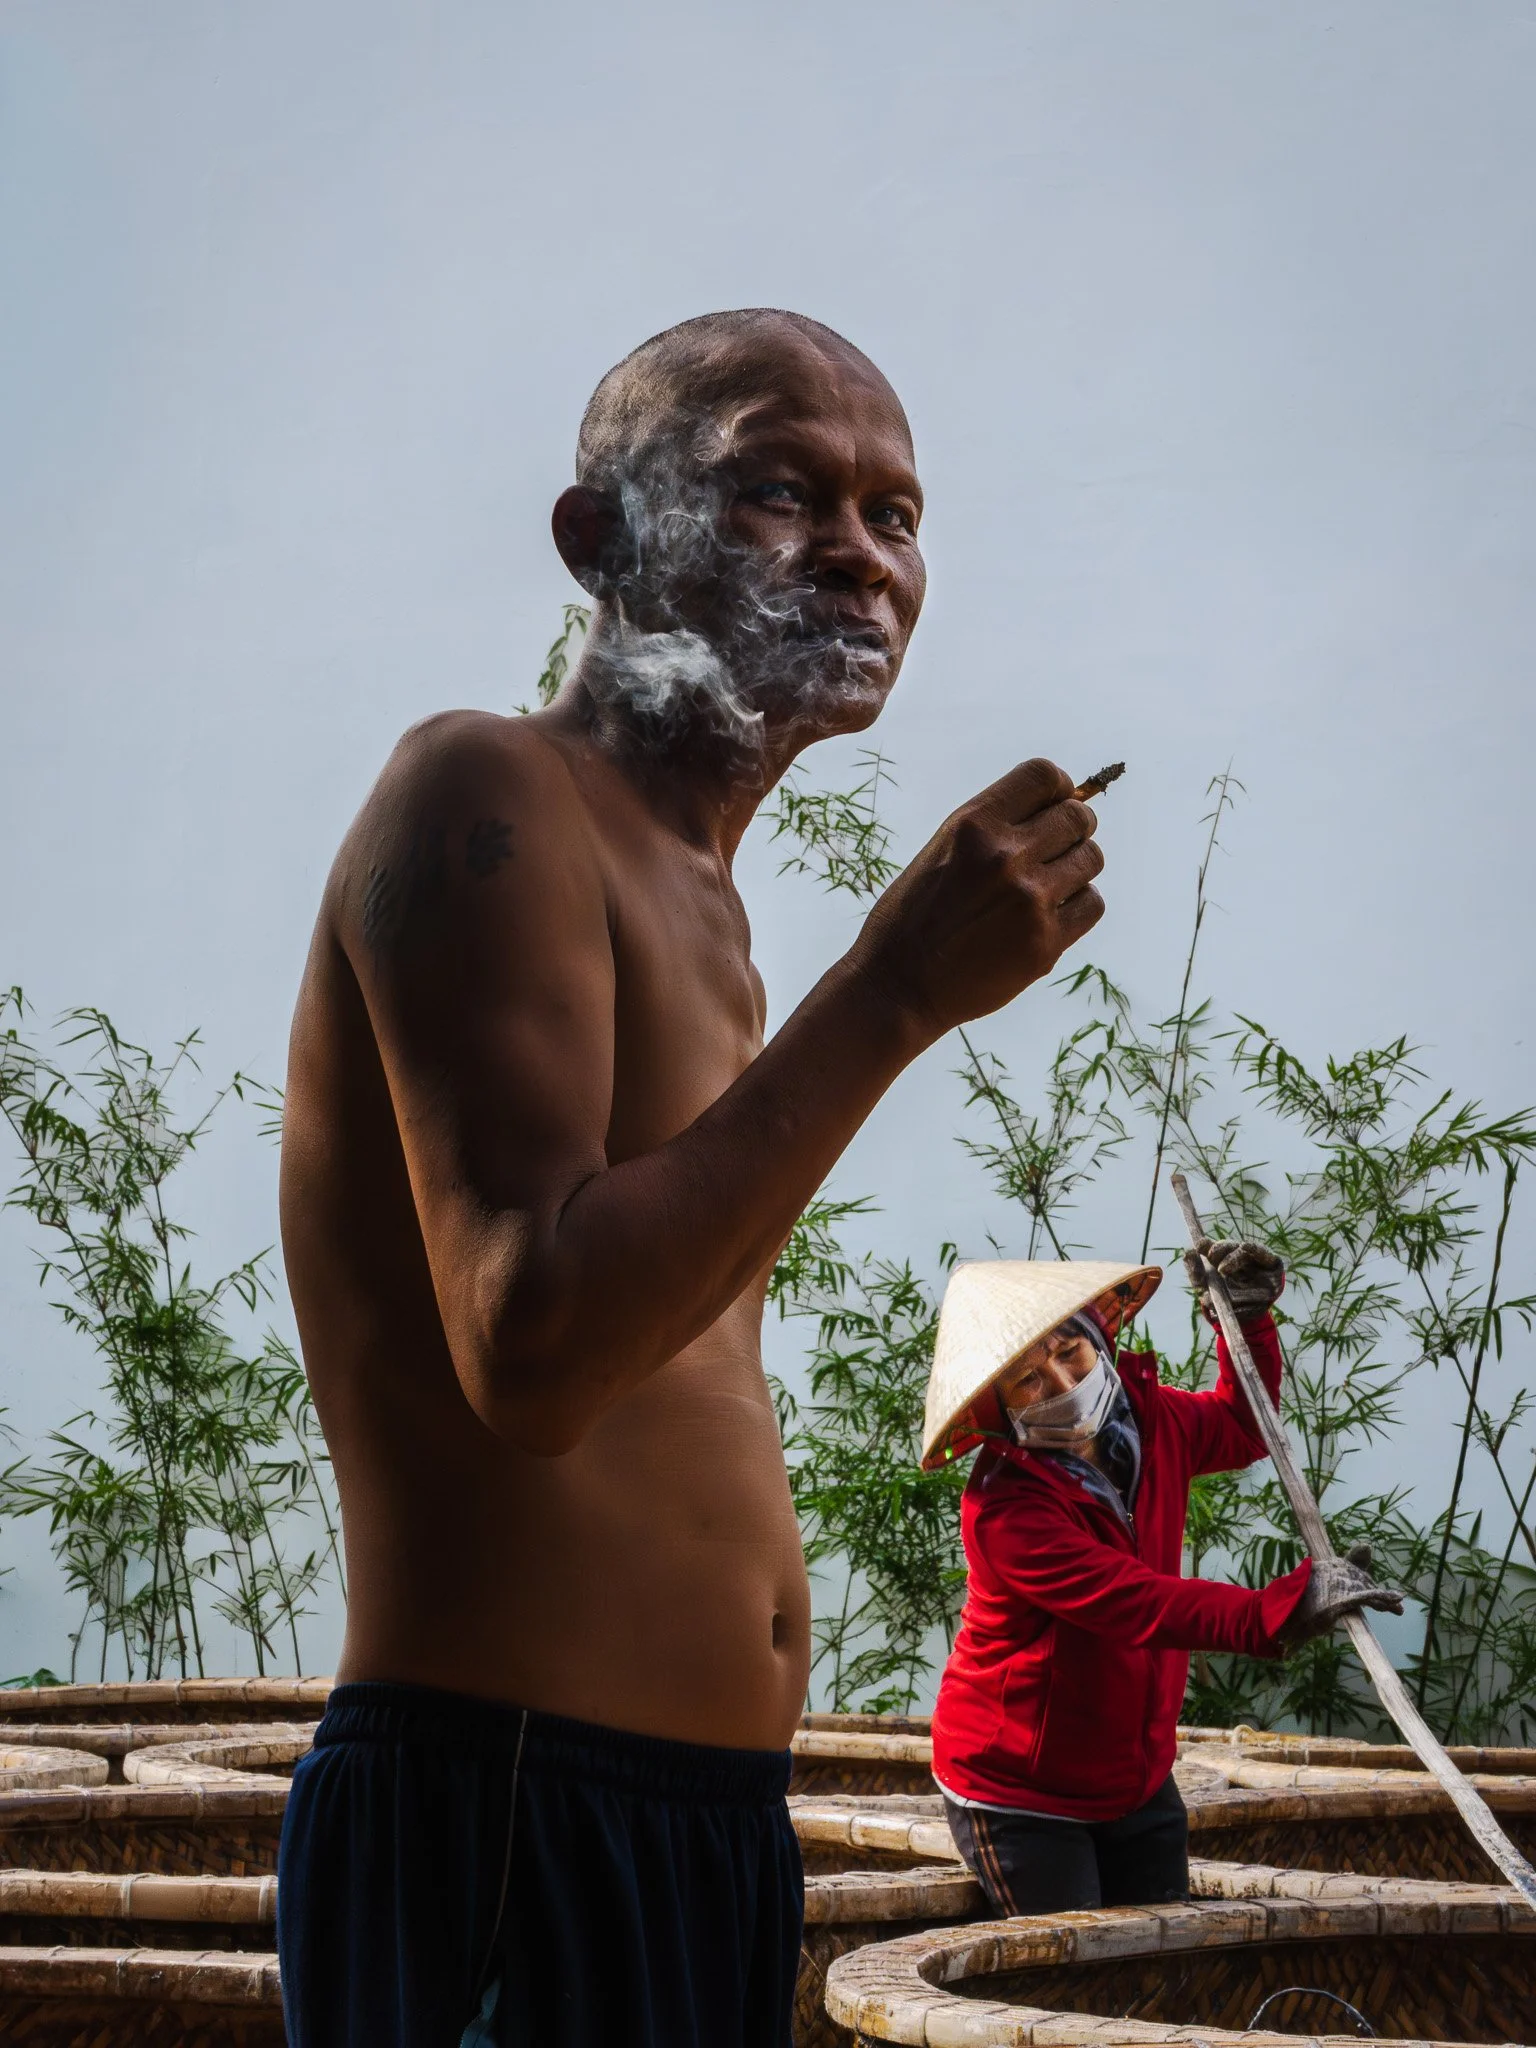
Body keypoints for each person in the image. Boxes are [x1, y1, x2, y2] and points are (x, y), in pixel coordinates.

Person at [275, 308, 1108, 2047]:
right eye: (779, 491)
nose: (859, 555)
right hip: (507, 1808)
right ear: (599, 541)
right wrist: (890, 996)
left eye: (894, 513)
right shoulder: (484, 791)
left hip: (698, 1826)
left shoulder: (705, 907)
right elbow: (537, 1343)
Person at [923, 1240, 1403, 1917]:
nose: (1061, 1384)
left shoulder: (1152, 1420)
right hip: (1021, 1791)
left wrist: (1246, 1323)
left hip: (1135, 1771)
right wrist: (1281, 1608)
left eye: (1069, 1352)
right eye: (1027, 1379)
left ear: (1098, 1343)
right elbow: (1136, 1602)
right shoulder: (1005, 1511)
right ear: (998, 1407)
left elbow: (1243, 1427)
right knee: (1071, 1986)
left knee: (1157, 1964)